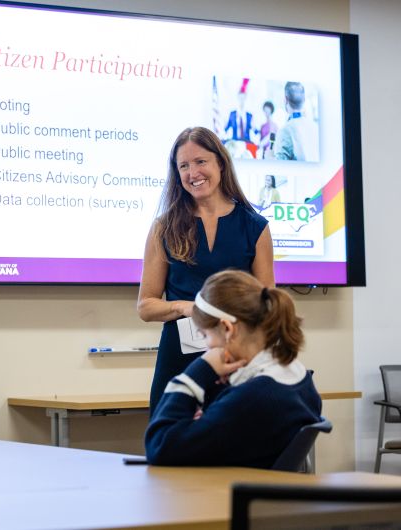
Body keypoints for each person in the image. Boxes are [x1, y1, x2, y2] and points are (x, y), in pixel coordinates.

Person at [138, 127, 274, 412]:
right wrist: (187, 308)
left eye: (201, 161)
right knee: (169, 447)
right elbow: (146, 306)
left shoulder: (255, 227)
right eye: (183, 166)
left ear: (220, 163)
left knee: (232, 448)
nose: (192, 173)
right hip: (179, 360)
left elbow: (268, 306)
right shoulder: (164, 227)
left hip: (237, 358)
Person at [144, 270, 322, 468]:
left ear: (228, 329)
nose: (207, 347)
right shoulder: (297, 378)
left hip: (223, 494)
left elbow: (160, 447)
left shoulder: (253, 398)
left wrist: (195, 373)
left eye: (204, 335)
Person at [273, 81, 320, 162]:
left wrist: (269, 158)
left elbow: (280, 170)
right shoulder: (315, 127)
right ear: (304, 99)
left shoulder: (285, 130)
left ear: (285, 99)